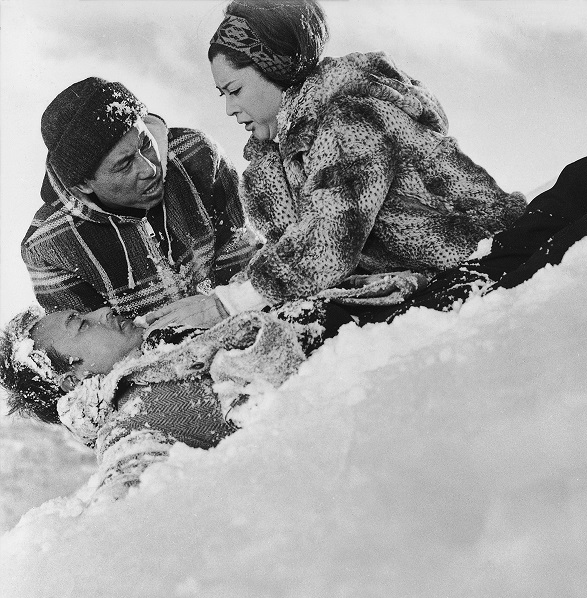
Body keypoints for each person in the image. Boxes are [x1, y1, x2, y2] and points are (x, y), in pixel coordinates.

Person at [149, 0, 526, 330]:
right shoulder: (284, 156)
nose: (229, 108)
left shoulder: (348, 120)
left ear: (276, 69)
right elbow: (299, 252)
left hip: (490, 256)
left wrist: (226, 304)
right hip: (433, 276)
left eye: (235, 90)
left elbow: (329, 239)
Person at [0, 303, 327, 500]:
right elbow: (127, 499)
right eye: (82, 324)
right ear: (74, 379)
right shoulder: (127, 425)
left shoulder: (158, 351)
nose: (103, 312)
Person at [21, 76, 260, 324]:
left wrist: (221, 308)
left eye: (145, 144)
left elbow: (246, 260)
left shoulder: (198, 155)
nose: (149, 169)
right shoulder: (47, 248)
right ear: (83, 184)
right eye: (124, 165)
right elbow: (99, 348)